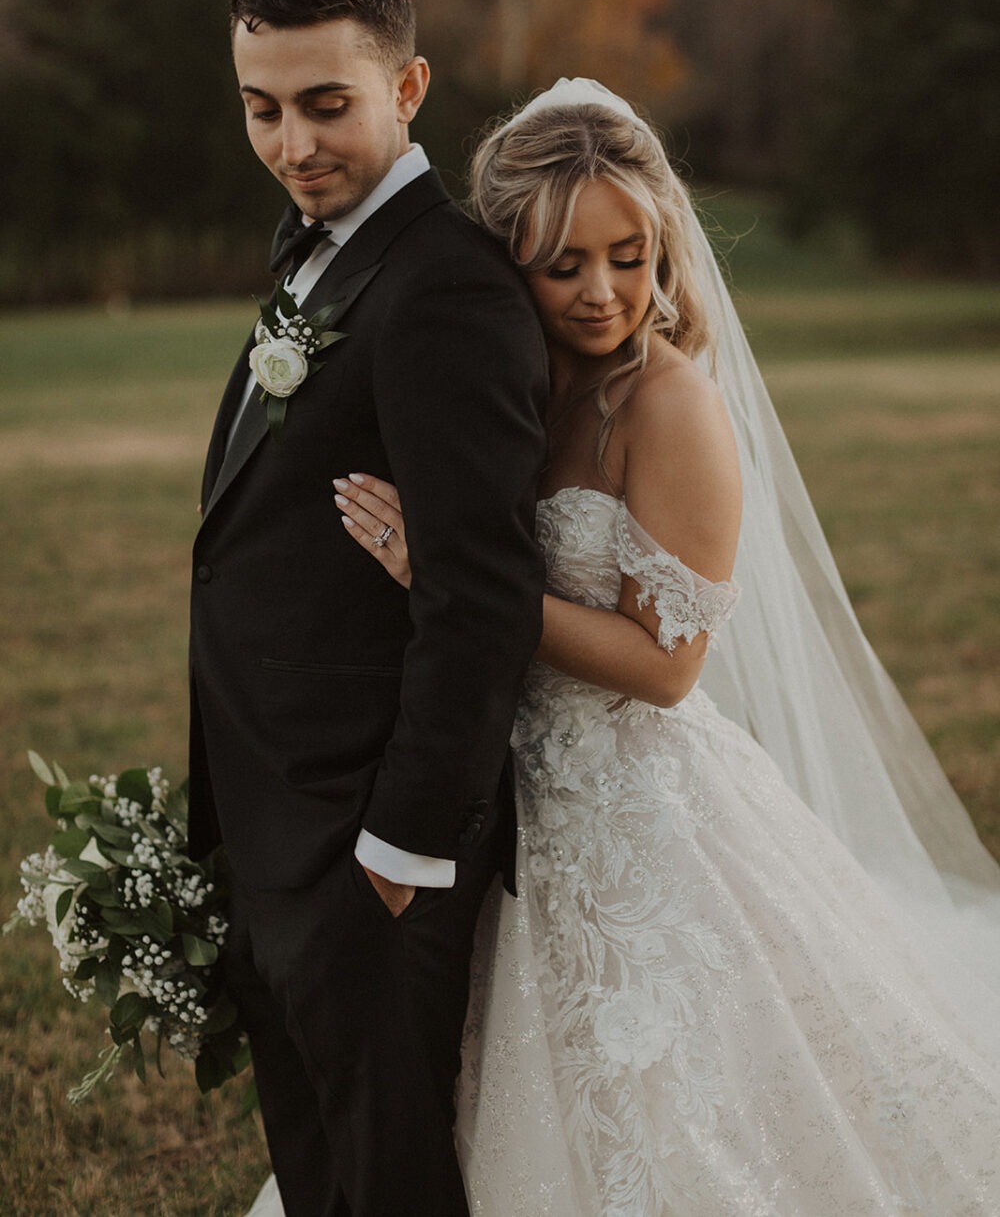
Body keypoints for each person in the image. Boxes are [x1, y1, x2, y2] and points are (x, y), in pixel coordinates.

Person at [317, 80, 1000, 1214]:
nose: (602, 295)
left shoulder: (670, 402)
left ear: (663, 246)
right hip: (505, 786)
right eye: (564, 265)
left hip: (634, 806)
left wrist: (458, 581)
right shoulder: (514, 384)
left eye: (628, 257)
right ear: (506, 265)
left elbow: (666, 667)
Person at [187, 0, 549, 1217]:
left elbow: (484, 597)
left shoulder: (445, 287)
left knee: (385, 1180)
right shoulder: (312, 249)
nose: (293, 144)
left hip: (366, 845)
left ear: (408, 91)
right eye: (262, 108)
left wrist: (399, 847)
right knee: (323, 1166)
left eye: (327, 105)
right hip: (280, 818)